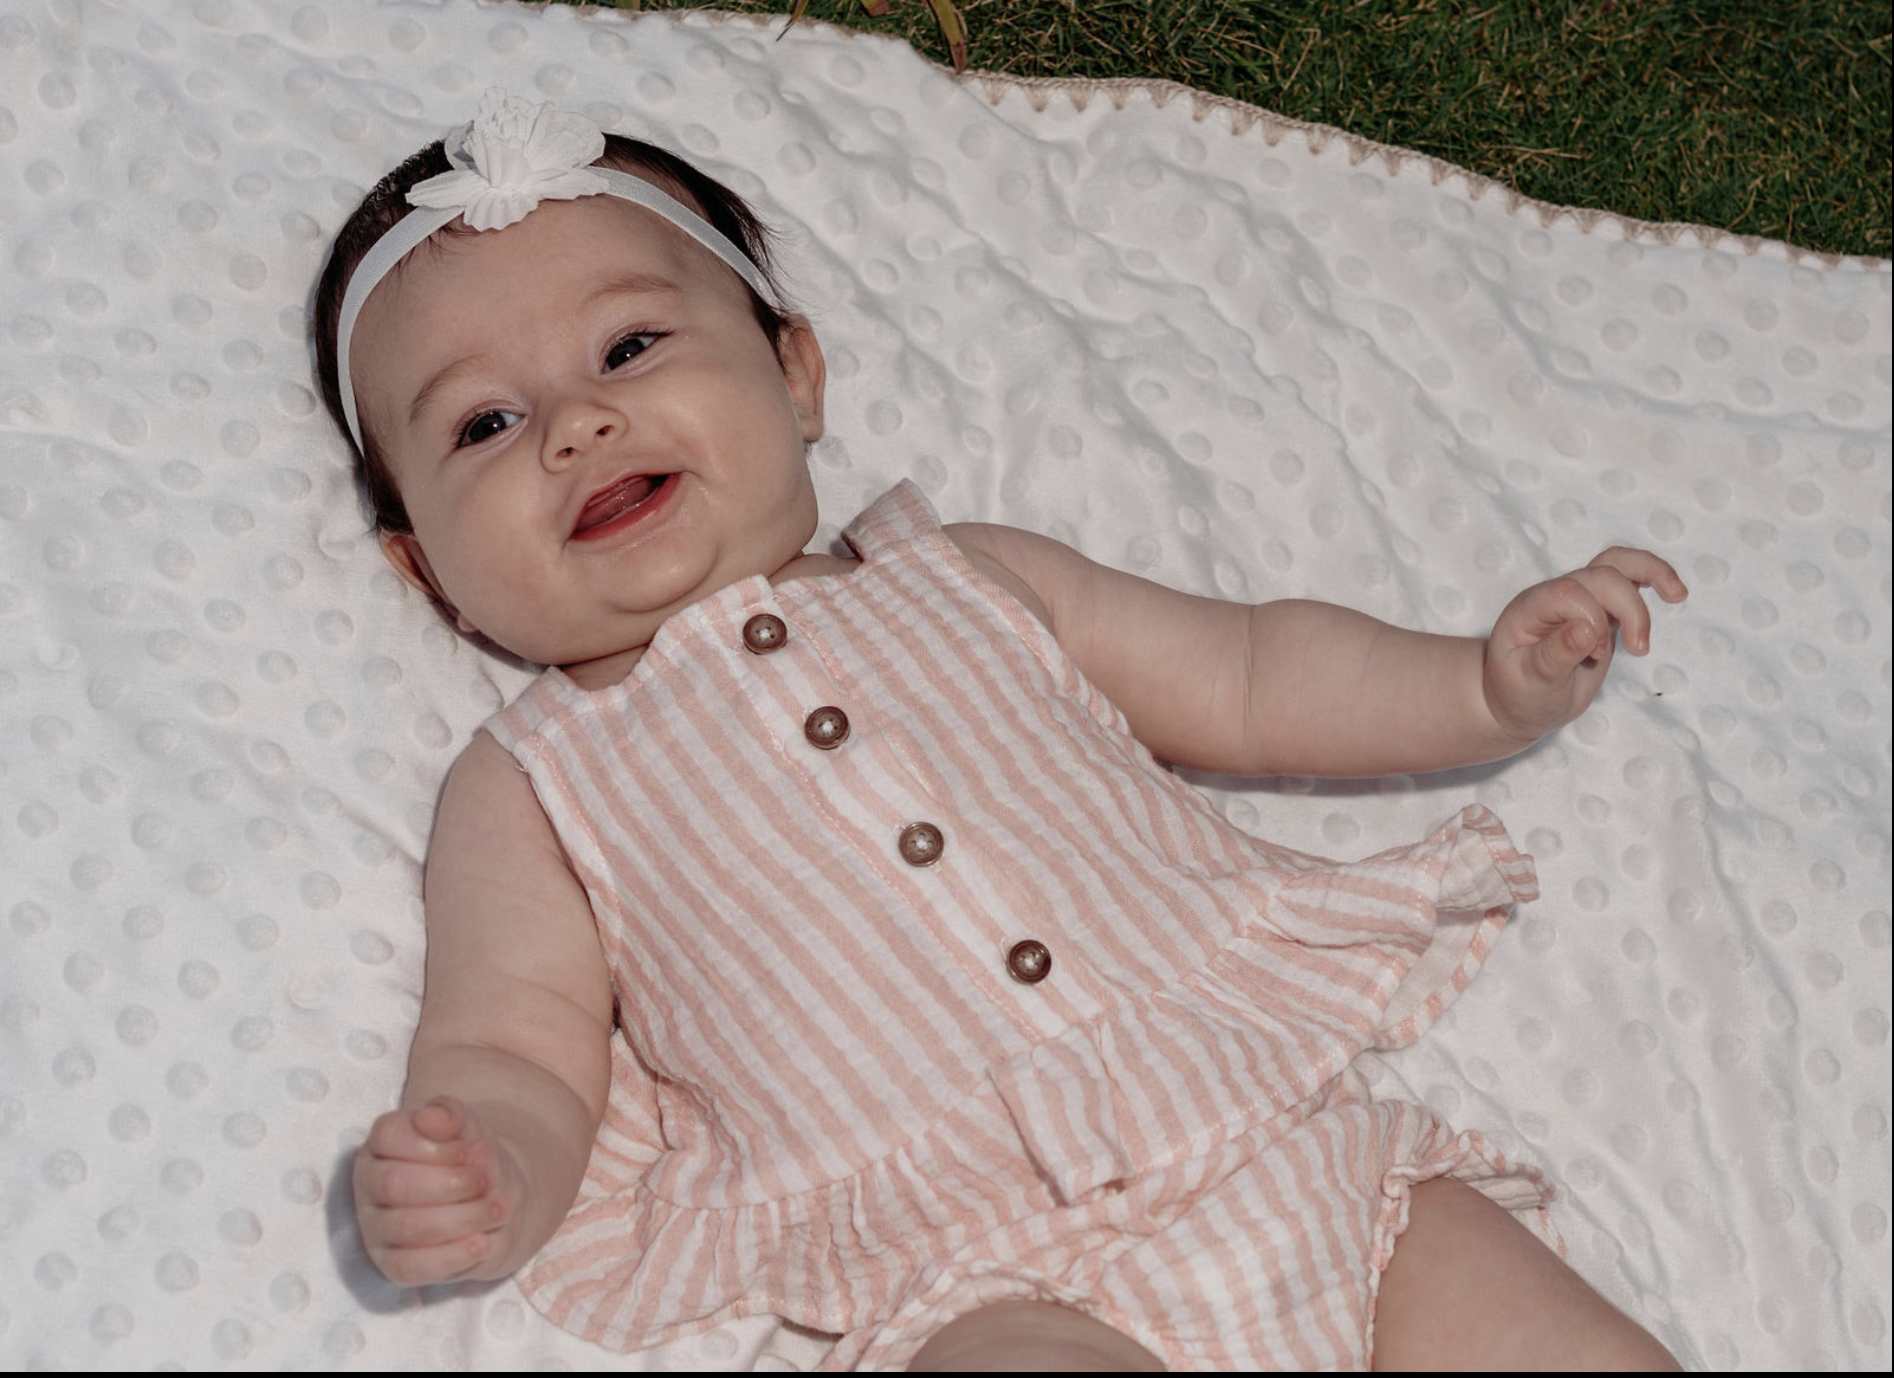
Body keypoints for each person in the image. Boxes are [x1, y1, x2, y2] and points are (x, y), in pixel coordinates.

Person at [321, 90, 1686, 1370]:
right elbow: (512, 1039)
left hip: (1284, 1138)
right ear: (421, 566)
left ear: (795, 375)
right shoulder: (534, 780)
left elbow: (1255, 674)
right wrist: (487, 1164)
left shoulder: (966, 574)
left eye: (629, 346)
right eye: (486, 422)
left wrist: (1478, 685)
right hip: (978, 1274)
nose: (578, 423)